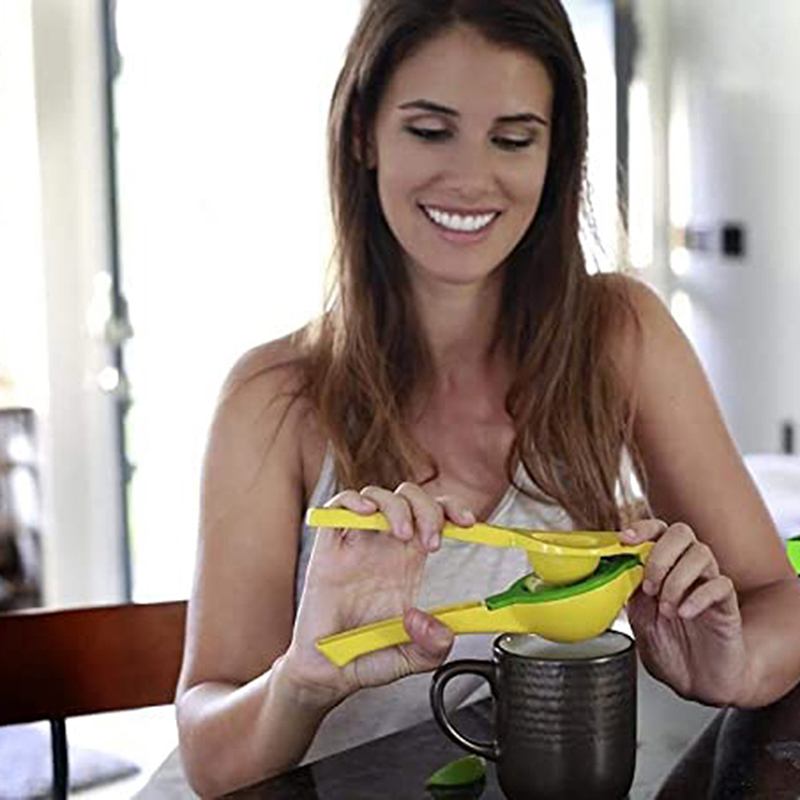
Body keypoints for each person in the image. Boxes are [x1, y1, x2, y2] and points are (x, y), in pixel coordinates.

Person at [173, 0, 800, 796]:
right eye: (430, 130)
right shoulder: (273, 397)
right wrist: (303, 677)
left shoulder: (620, 332)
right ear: (363, 133)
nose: (471, 178)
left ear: (556, 151)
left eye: (513, 138)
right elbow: (209, 754)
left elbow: (778, 599)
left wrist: (733, 665)